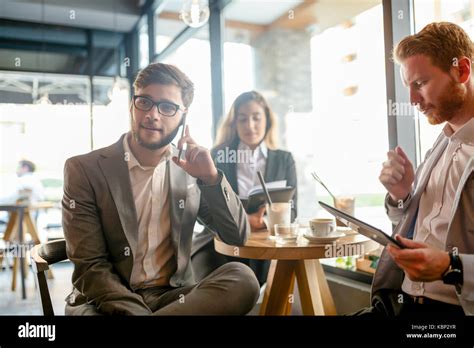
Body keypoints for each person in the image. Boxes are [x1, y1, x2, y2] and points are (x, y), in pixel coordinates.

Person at [62, 63, 260, 315]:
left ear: (183, 116)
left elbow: (237, 236)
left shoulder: (190, 169)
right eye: (144, 102)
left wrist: (211, 179)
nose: (153, 115)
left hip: (170, 298)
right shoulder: (84, 169)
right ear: (132, 105)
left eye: (167, 107)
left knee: (242, 279)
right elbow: (90, 266)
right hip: (102, 300)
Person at [363, 22, 473, 316]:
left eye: (420, 84)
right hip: (401, 302)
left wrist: (452, 267)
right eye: (408, 87)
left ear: (461, 71)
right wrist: (401, 196)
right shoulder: (442, 142)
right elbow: (414, 226)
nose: (412, 100)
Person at [191, 91, 297, 285]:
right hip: (220, 243)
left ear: (267, 120)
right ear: (234, 124)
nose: (250, 125)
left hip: (267, 242)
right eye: (243, 119)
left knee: (265, 284)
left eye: (256, 118)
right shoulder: (216, 156)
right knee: (226, 288)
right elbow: (202, 208)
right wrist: (242, 220)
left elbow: (292, 209)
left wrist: (264, 221)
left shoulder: (284, 159)